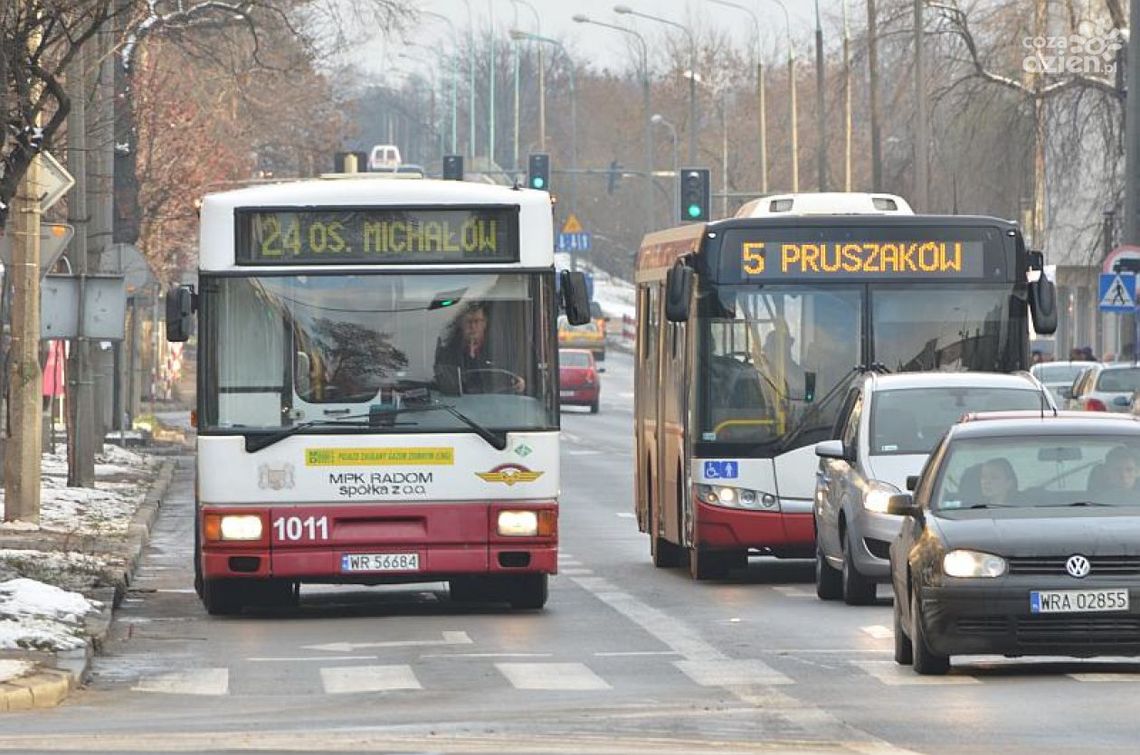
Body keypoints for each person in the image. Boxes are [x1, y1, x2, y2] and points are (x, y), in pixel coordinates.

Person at [434, 302, 524, 395]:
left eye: (477, 321)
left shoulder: (499, 350)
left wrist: (520, 383)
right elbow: (442, 383)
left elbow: (514, 377)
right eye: (468, 321)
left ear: (485, 323)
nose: (473, 326)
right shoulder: (447, 353)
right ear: (461, 324)